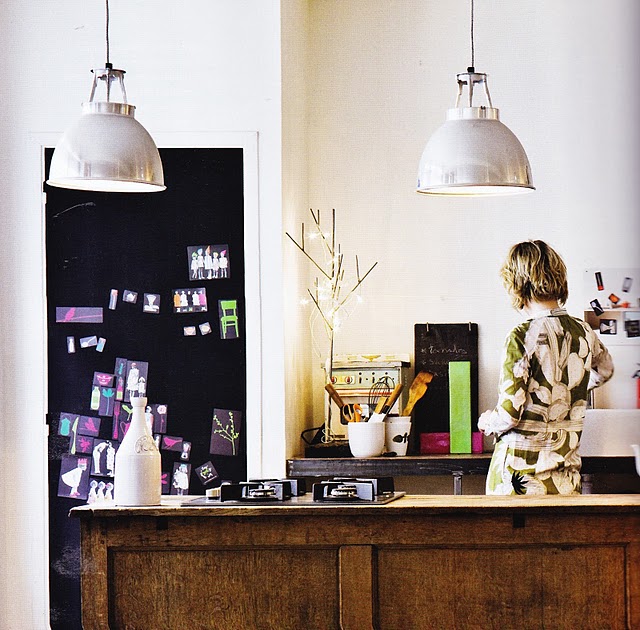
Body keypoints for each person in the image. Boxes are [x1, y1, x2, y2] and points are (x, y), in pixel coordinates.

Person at [478, 240, 614, 495]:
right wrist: (571, 389)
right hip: (565, 476)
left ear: (517, 283)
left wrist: (487, 422)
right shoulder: (583, 331)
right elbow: (605, 370)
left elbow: (510, 413)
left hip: (518, 480)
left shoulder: (521, 336)